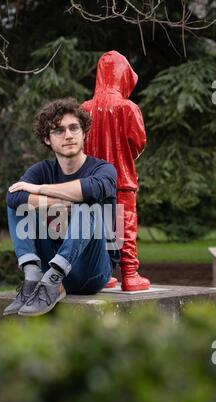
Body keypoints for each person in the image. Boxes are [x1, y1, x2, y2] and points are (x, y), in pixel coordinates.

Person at [4, 97, 118, 316]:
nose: (68, 135)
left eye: (74, 128)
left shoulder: (104, 169)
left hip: (91, 271)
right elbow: (14, 198)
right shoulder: (41, 170)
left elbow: (93, 190)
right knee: (17, 203)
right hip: (46, 267)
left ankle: (55, 279)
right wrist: (60, 201)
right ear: (47, 139)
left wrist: (39, 190)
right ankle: (32, 277)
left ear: (84, 133)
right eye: (59, 130)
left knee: (88, 206)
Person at [82, 50, 151, 291]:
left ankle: (103, 273)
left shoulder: (84, 109)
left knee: (98, 225)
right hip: (122, 179)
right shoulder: (128, 108)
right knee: (126, 223)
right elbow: (138, 142)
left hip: (91, 181)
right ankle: (130, 274)